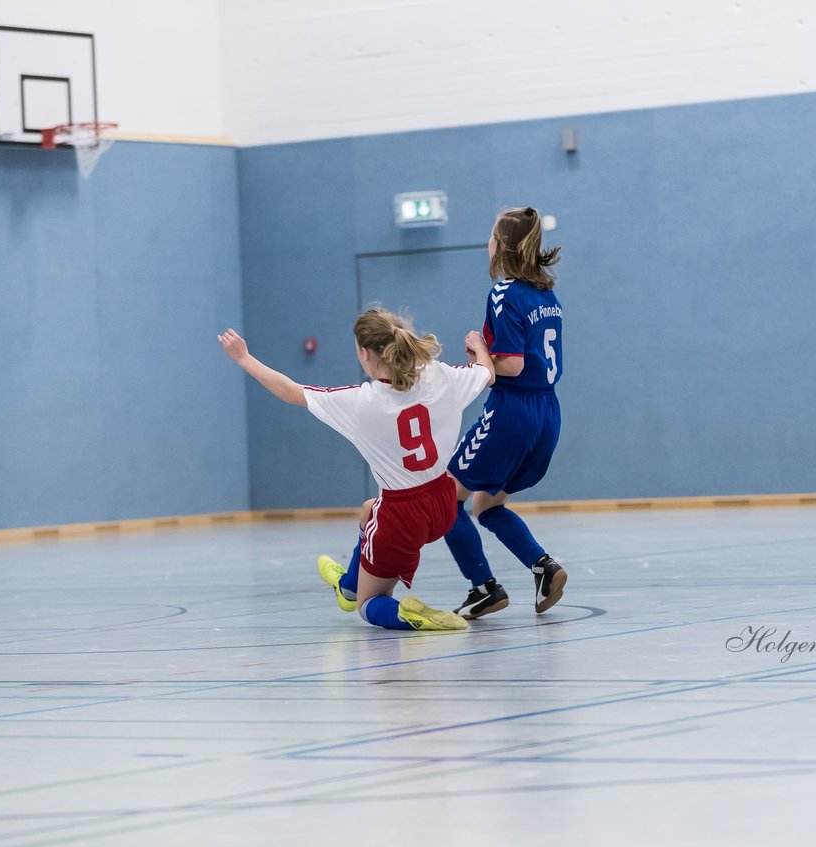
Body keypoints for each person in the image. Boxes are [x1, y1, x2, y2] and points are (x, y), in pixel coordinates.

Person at [218, 308, 494, 631]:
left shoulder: (363, 403)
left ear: (364, 354)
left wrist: (243, 358)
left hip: (402, 516)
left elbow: (291, 392)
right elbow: (487, 373)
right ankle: (347, 587)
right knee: (368, 511)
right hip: (444, 503)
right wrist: (480, 348)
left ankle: (405, 613)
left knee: (369, 604)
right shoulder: (440, 376)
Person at [443, 207, 567, 619]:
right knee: (486, 506)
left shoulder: (504, 291)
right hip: (547, 412)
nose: (487, 242)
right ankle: (543, 567)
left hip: (512, 412)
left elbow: (510, 365)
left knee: (445, 500)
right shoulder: (547, 295)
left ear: (502, 244)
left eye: (491, 235)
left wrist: (480, 350)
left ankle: (484, 588)